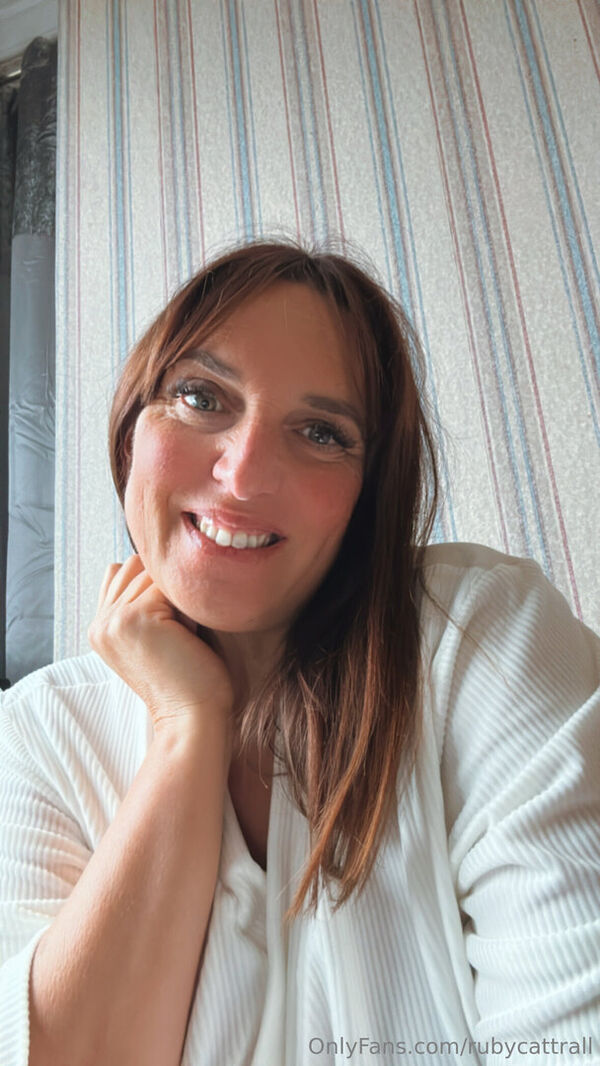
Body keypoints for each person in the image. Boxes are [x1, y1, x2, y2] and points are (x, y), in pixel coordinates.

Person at [0, 240, 598, 1066]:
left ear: (368, 493)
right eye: (201, 396)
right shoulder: (35, 731)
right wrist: (185, 723)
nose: (243, 475)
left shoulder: (479, 636)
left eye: (321, 432)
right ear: (133, 427)